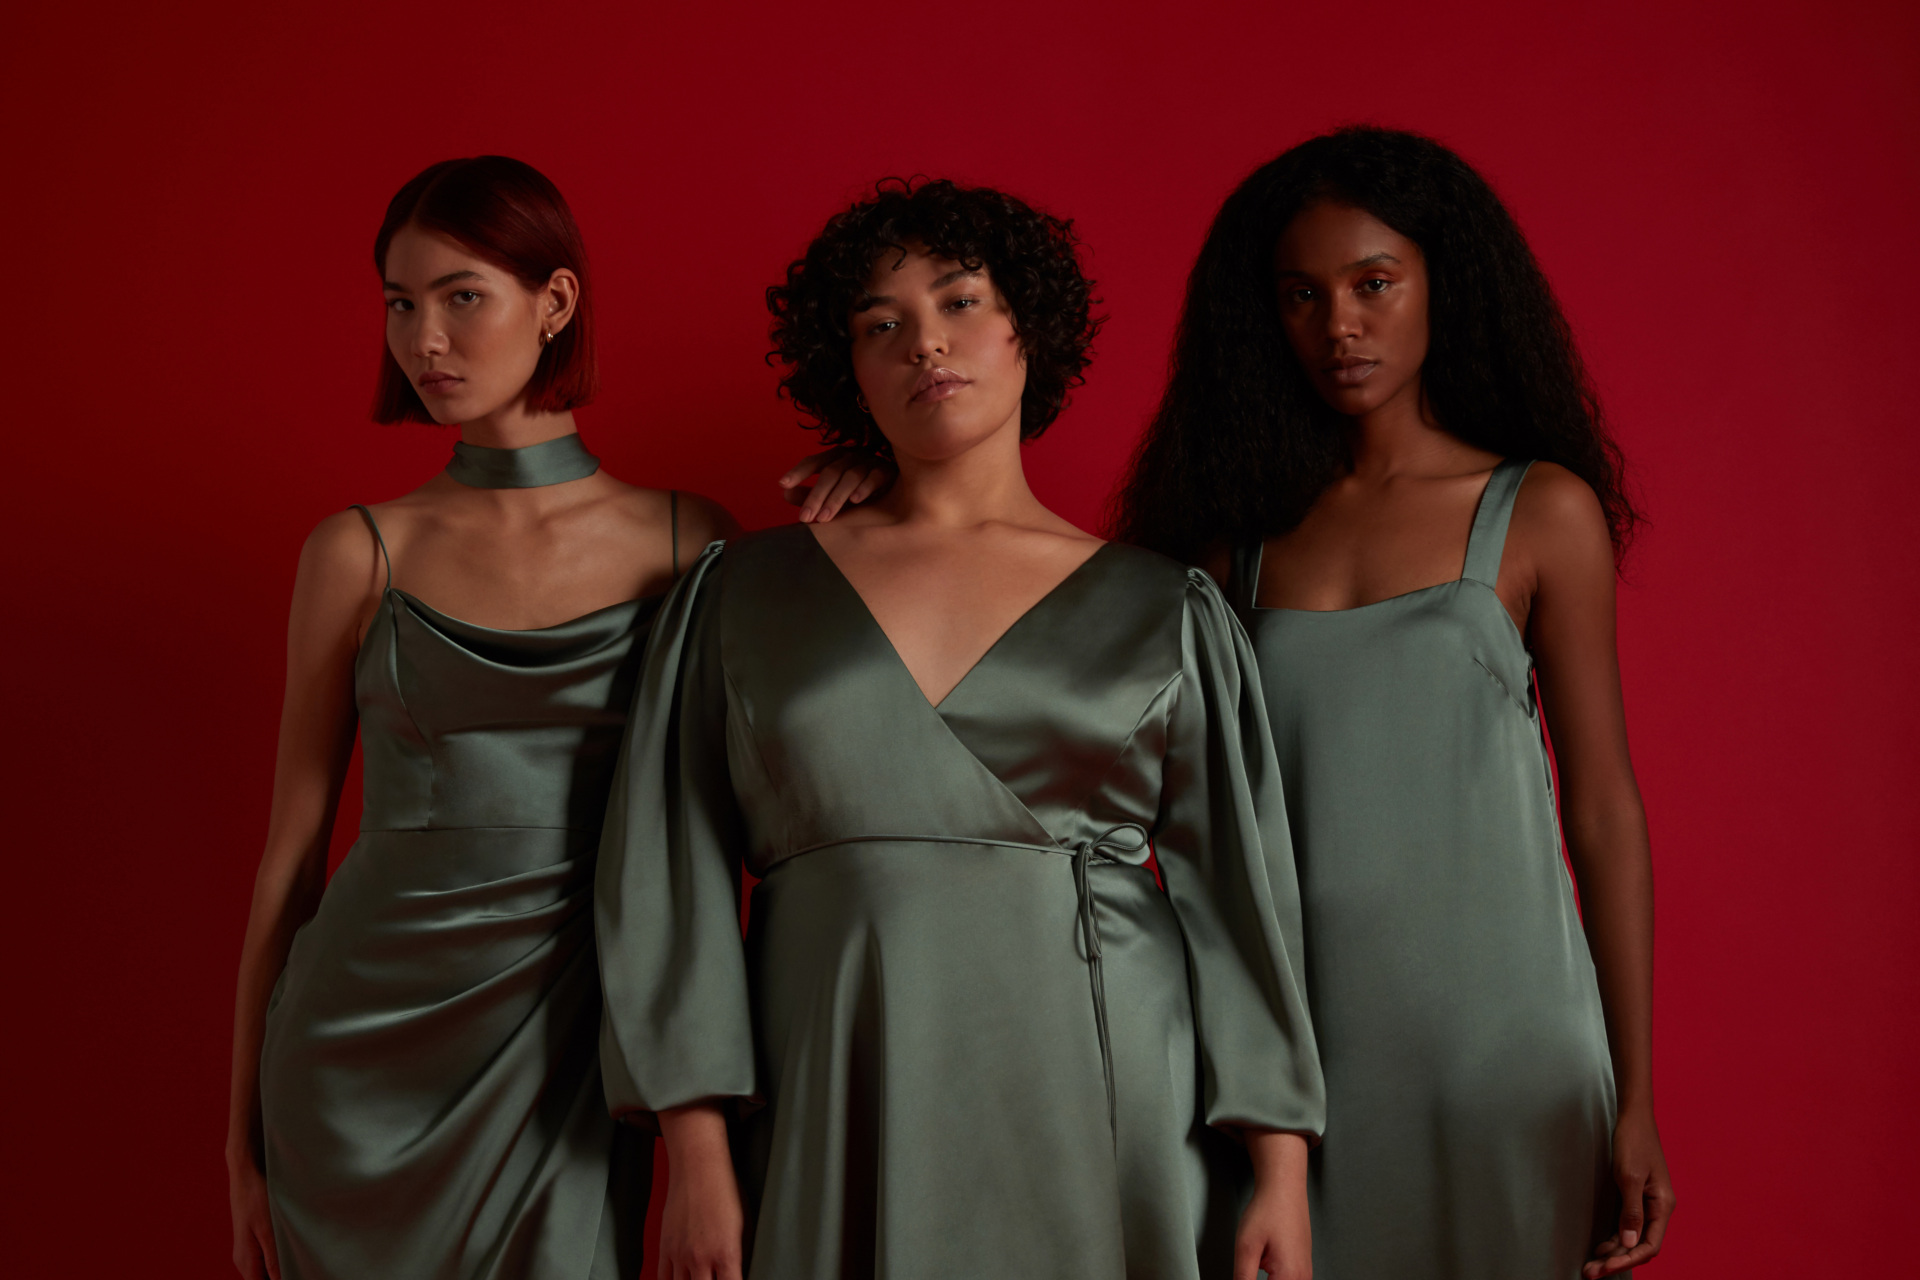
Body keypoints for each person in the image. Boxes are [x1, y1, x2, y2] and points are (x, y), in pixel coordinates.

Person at [594, 178, 1325, 1280]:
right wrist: (697, 1149)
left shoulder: (1165, 606)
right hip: (831, 1076)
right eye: (879, 324)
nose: (924, 343)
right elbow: (665, 867)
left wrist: (1277, 1166)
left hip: (1105, 1082)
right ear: (847, 369)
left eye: (960, 302)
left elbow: (1241, 894)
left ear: (1033, 327)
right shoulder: (743, 590)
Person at [224, 155, 882, 1280]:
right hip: (356, 1053)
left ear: (557, 301)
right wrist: (237, 1141)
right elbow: (289, 863)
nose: (424, 338)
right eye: (399, 302)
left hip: (575, 1038)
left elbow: (776, 792)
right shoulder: (358, 550)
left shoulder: (685, 540)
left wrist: (883, 494)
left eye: (460, 295)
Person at [1113, 126, 1676, 1278]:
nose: (1341, 325)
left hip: (1506, 1045)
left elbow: (1606, 811)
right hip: (1295, 1056)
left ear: (1442, 285)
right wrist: (897, 492)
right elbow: (1058, 650)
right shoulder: (1233, 542)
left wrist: (1634, 1094)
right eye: (1302, 295)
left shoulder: (1539, 510)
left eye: (1375, 283)